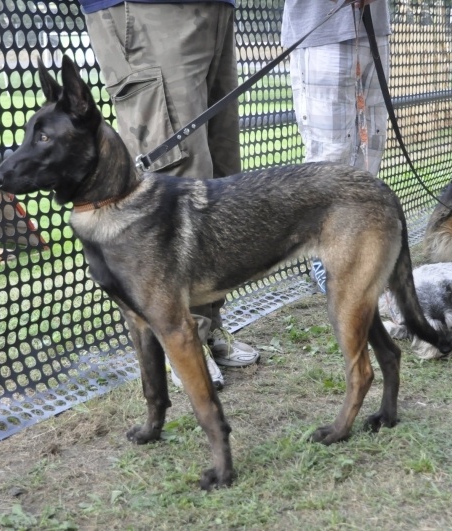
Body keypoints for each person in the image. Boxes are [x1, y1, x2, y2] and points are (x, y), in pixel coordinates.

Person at [78, 0, 259, 389]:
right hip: (147, 11)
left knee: (222, 185)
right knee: (179, 183)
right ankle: (183, 341)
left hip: (216, 8)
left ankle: (208, 326)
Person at [282, 0, 392, 293]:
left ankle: (361, 254)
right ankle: (327, 260)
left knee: (372, 146)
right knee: (329, 154)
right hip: (322, 27)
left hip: (375, 24)